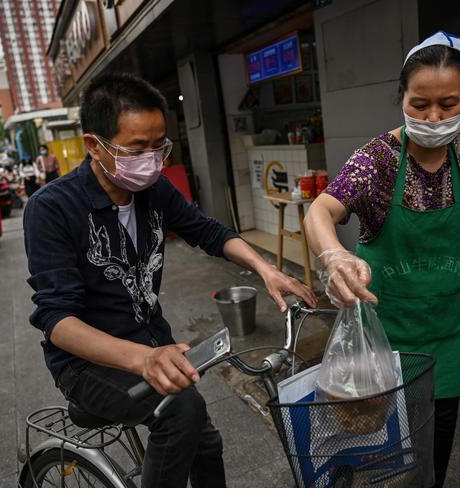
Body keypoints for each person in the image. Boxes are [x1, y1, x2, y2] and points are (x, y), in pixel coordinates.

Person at [24, 72, 316, 488]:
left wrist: (267, 269)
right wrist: (142, 359)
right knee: (181, 413)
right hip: (87, 365)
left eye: (159, 146)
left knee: (206, 443)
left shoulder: (155, 191)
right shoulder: (51, 208)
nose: (151, 160)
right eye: (136, 148)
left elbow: (210, 232)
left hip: (154, 343)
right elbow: (58, 321)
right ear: (95, 145)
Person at [304, 31, 460, 488]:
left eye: (448, 104)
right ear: (402, 98)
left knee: (441, 423)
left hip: (448, 315)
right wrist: (333, 255)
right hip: (388, 326)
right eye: (419, 104)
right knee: (386, 436)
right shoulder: (377, 160)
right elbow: (321, 209)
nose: (433, 117)